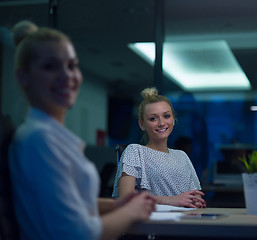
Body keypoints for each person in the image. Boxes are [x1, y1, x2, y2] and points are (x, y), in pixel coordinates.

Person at [9, 20, 156, 240]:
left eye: (71, 65)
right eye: (50, 66)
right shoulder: (38, 139)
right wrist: (131, 212)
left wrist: (115, 205)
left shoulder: (51, 137)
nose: (67, 75)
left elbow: (64, 203)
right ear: (24, 76)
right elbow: (75, 234)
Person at [112, 87, 206, 208]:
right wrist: (171, 200)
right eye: (153, 119)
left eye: (166, 116)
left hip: (187, 219)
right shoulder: (135, 151)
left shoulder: (182, 155)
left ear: (173, 120)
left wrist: (196, 201)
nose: (161, 123)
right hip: (155, 223)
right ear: (142, 124)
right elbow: (125, 198)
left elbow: (196, 196)